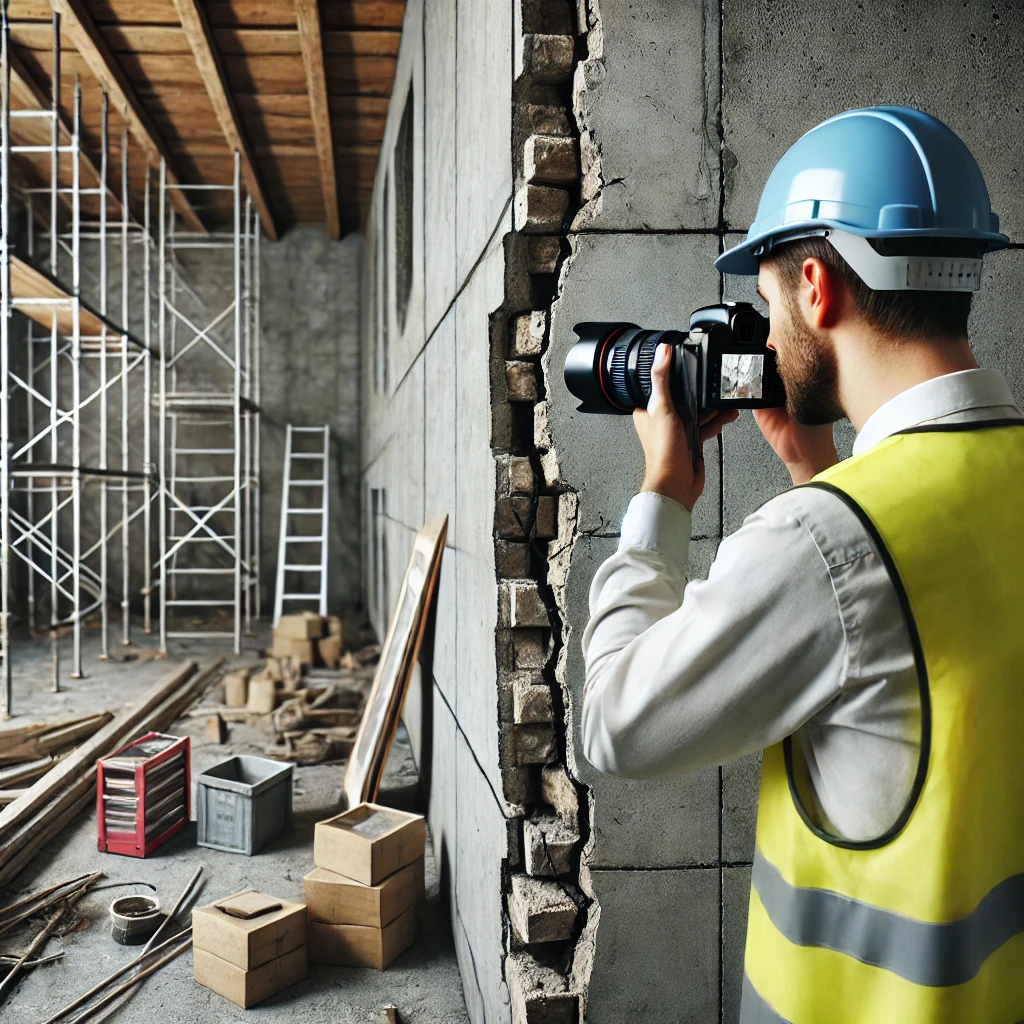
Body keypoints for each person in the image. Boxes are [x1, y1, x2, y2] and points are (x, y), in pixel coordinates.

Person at [579, 106, 1024, 1023]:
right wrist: (812, 465)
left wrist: (663, 489)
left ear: (816, 285)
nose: (768, 336)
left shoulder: (824, 544)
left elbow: (615, 726)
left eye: (770, 302)